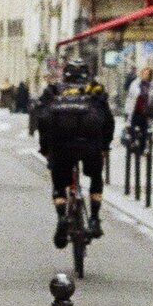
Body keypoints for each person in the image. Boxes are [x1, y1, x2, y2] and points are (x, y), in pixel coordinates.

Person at [33, 58, 115, 249]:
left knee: (59, 185)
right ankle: (94, 219)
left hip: (61, 146)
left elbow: (42, 120)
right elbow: (108, 121)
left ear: (65, 73)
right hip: (90, 146)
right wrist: (104, 147)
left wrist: (46, 149)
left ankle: (62, 217)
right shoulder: (95, 90)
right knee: (96, 177)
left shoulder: (53, 90)